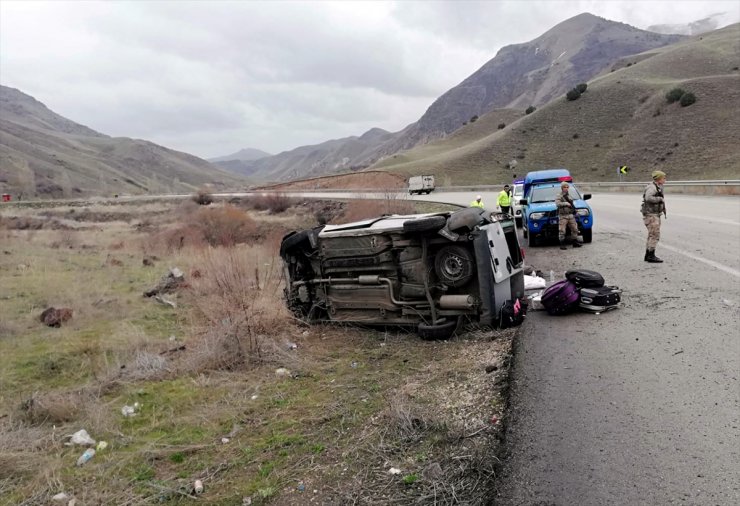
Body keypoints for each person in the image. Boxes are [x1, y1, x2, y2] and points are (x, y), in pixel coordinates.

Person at [641, 170, 667, 263]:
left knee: (651, 234)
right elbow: (648, 198)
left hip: (654, 214)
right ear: (659, 179)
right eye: (664, 178)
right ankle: (651, 255)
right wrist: (659, 199)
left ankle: (648, 255)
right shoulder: (652, 187)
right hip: (651, 215)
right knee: (655, 234)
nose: (665, 180)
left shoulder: (657, 186)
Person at [555, 181, 582, 249]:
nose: (566, 188)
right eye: (565, 187)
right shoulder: (559, 195)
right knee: (562, 230)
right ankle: (562, 244)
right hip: (563, 216)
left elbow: (572, 205)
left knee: (575, 229)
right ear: (562, 188)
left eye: (567, 187)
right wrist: (565, 203)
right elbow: (557, 203)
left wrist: (575, 212)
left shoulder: (569, 195)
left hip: (570, 215)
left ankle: (575, 242)